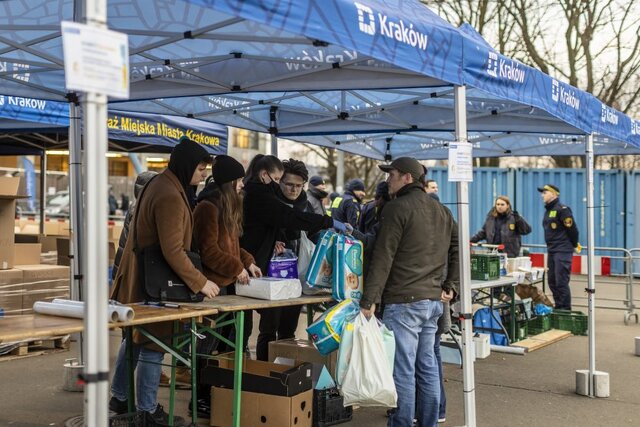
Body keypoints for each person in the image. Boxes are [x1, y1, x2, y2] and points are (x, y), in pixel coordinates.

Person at [109, 137, 219, 427]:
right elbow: (172, 250)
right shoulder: (170, 193)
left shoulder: (161, 183)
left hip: (142, 280)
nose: (203, 174)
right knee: (153, 344)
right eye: (200, 168)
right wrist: (200, 281)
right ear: (186, 166)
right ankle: (147, 409)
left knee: (133, 340)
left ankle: (120, 396)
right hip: (153, 285)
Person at [360, 157, 459, 427]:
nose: (387, 180)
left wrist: (369, 299)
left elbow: (383, 256)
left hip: (404, 302)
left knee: (402, 370)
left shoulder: (397, 208)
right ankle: (429, 423)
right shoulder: (442, 211)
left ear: (407, 178)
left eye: (391, 175)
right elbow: (458, 249)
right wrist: (451, 285)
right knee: (426, 367)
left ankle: (402, 423)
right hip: (431, 302)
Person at [240, 155, 343, 361]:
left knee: (288, 331)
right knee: (268, 329)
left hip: (297, 277)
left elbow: (312, 235)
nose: (294, 190)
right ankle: (265, 373)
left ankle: (284, 376)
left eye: (299, 185)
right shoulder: (267, 200)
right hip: (269, 276)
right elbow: (282, 219)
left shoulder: (304, 204)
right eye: (287, 184)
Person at [191, 155, 262, 416]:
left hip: (229, 289)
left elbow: (232, 247)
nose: (243, 184)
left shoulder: (227, 205)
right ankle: (199, 400)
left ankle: (220, 396)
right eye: (240, 180)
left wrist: (248, 262)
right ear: (230, 182)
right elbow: (209, 252)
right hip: (212, 290)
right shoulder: (208, 208)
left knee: (229, 346)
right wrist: (237, 268)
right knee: (207, 347)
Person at [539, 184, 579, 310]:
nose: (542, 195)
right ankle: (559, 306)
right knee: (552, 281)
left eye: (545, 192)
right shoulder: (549, 210)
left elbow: (572, 230)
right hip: (552, 250)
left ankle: (565, 310)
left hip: (562, 250)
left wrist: (573, 244)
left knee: (561, 282)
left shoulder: (563, 209)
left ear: (554, 194)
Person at [112, 171, 157, 279]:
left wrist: (117, 271)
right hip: (139, 268)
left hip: (133, 266)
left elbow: (125, 241)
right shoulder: (144, 208)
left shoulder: (136, 206)